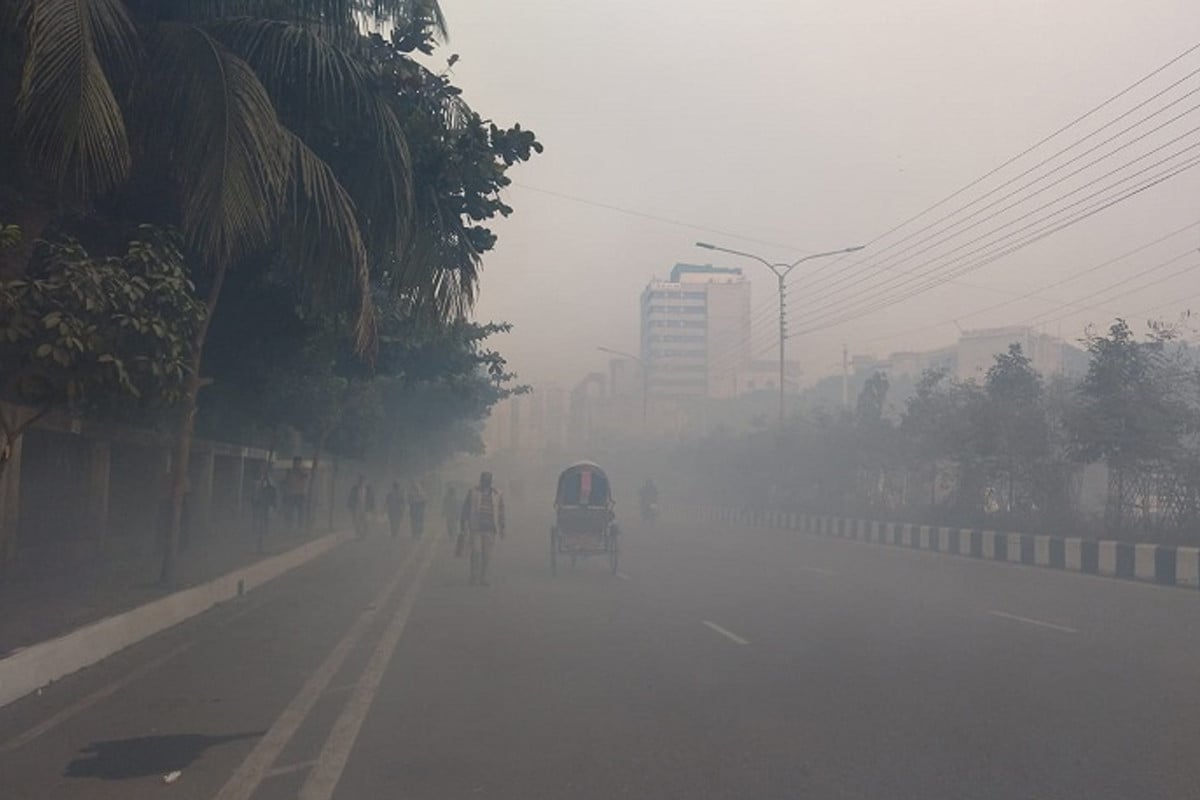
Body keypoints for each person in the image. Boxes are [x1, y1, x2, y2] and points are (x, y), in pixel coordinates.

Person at [460, 472, 505, 586]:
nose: (485, 483)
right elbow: (466, 508)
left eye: (487, 481)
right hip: (476, 528)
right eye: (484, 481)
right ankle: (474, 575)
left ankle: (483, 577)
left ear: (490, 482)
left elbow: (501, 512)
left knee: (487, 555)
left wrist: (502, 527)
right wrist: (463, 524)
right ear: (481, 481)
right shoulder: (473, 492)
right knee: (476, 552)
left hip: (490, 529)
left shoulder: (497, 494)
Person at [250, 467, 278, 553]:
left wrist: (273, 504)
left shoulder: (269, 482)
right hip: (257, 504)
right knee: (257, 521)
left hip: (265, 505)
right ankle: (257, 540)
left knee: (264, 521)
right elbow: (254, 493)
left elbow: (272, 493)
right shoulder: (256, 481)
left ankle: (263, 539)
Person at [283, 456, 309, 533]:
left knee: (300, 513)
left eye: (298, 463)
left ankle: (299, 528)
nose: (297, 464)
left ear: (300, 463)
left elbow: (305, 477)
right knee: (290, 512)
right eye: (295, 463)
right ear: (293, 463)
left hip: (300, 494)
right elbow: (287, 481)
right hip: (291, 494)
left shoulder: (303, 472)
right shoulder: (289, 471)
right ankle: (289, 527)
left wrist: (300, 471)